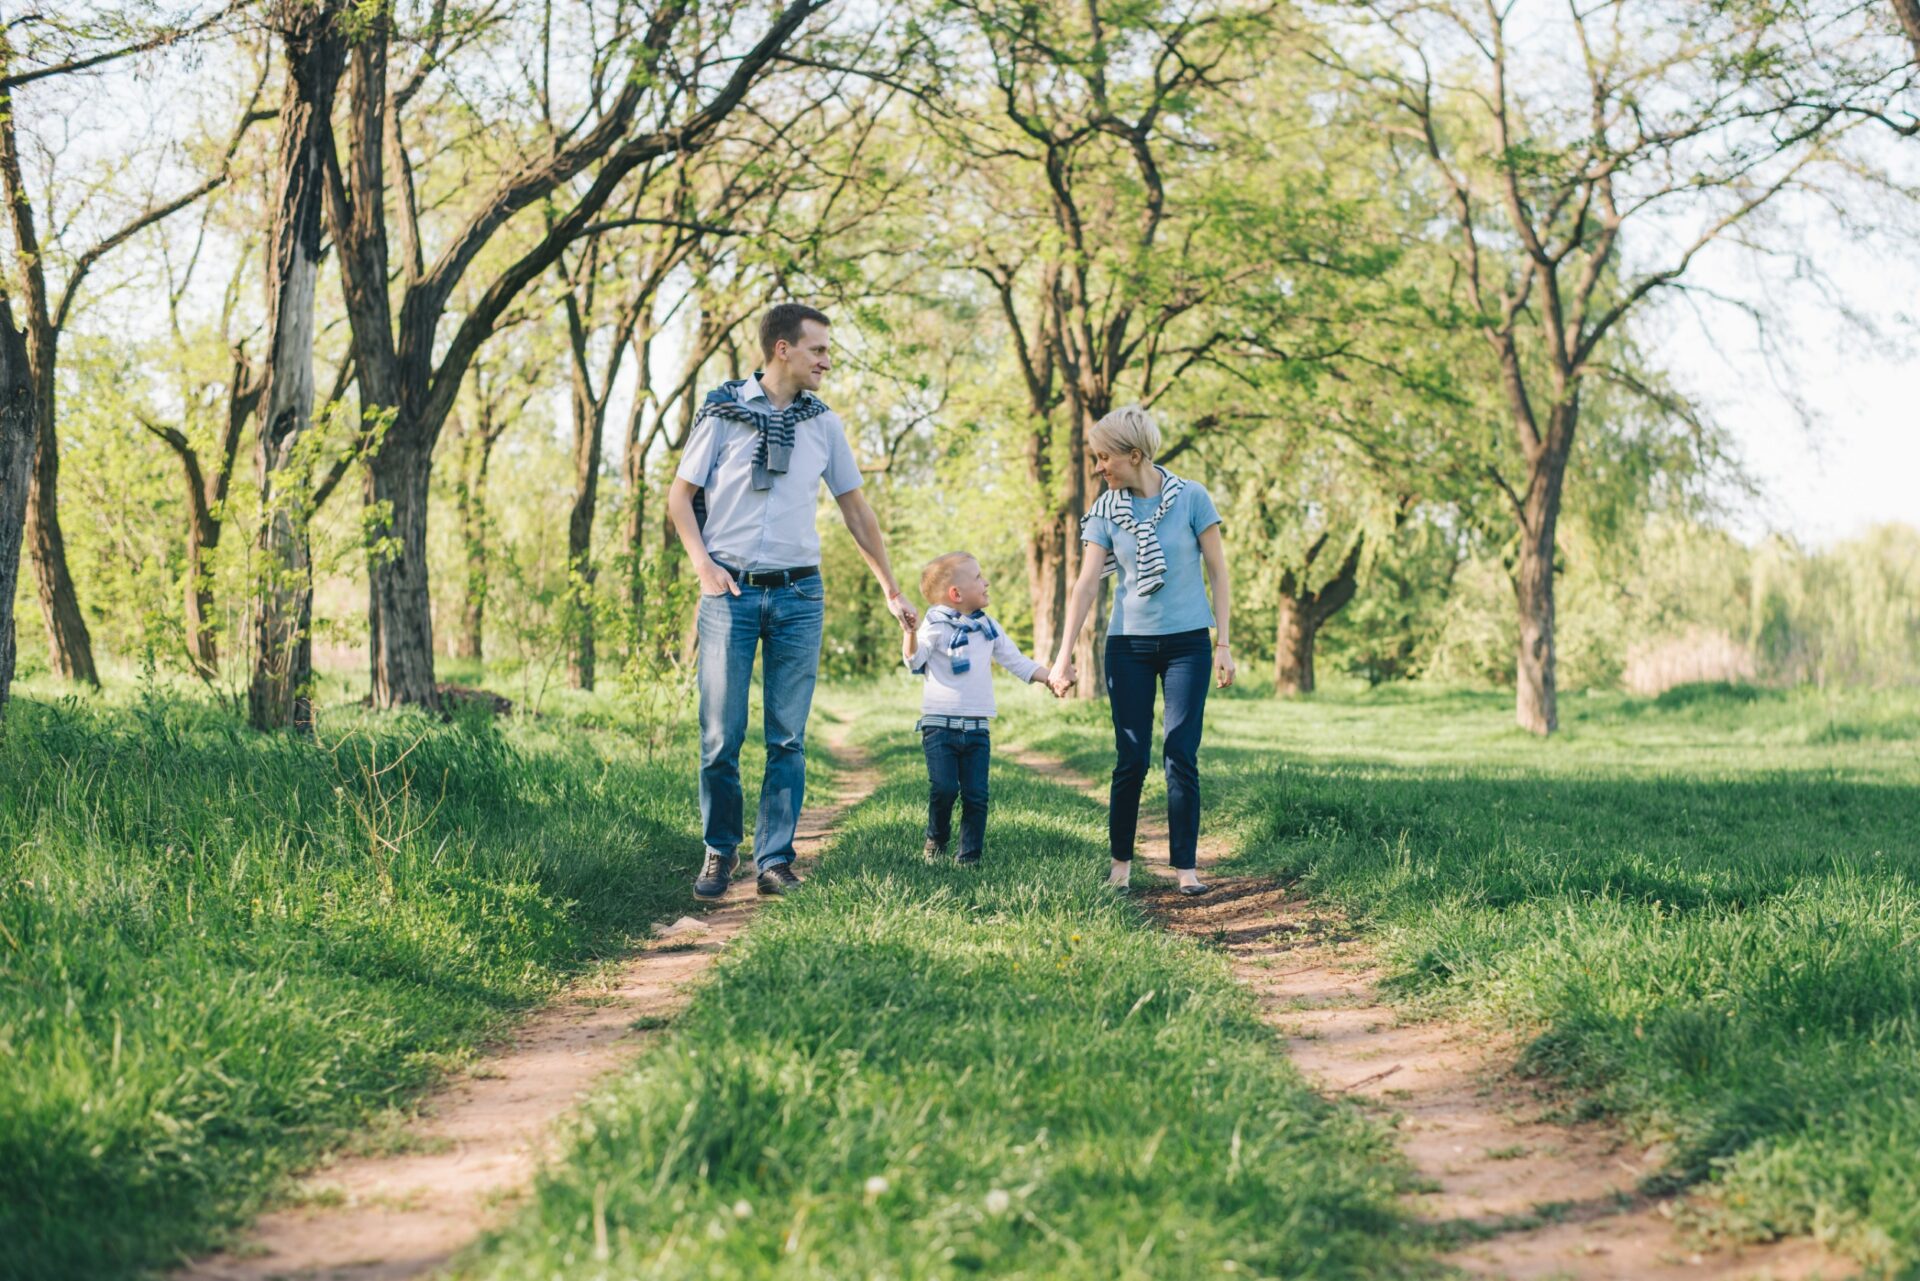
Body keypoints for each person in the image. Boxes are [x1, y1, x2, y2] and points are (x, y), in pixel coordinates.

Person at [667, 303, 917, 899]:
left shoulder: (823, 425)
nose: (827, 361)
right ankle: (719, 853)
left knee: (788, 737)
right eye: (818, 350)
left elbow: (855, 509)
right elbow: (681, 499)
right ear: (783, 349)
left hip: (800, 594)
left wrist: (892, 588)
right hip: (728, 592)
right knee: (720, 737)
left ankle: (774, 861)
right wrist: (702, 566)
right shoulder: (722, 414)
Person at [1048, 405, 1235, 895]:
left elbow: (1218, 572)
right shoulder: (1106, 510)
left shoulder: (1191, 498)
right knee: (1130, 756)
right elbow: (1086, 585)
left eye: (1104, 457)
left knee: (1180, 752)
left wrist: (1225, 644)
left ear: (1134, 455)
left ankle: (1186, 869)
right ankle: (1120, 867)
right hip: (1127, 645)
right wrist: (1063, 654)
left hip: (1188, 645)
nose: (1098, 467)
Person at [904, 552, 1055, 866]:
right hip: (939, 726)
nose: (985, 582)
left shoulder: (988, 627)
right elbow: (914, 661)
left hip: (977, 727)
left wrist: (1050, 678)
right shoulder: (933, 624)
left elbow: (1016, 661)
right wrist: (909, 634)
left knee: (976, 795)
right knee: (944, 789)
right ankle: (937, 836)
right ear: (956, 594)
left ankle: (969, 857)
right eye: (977, 577)